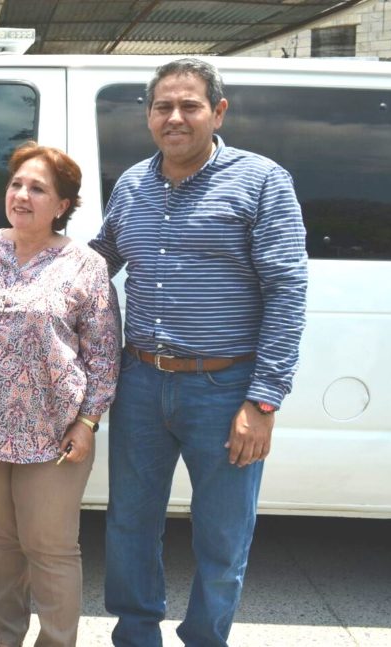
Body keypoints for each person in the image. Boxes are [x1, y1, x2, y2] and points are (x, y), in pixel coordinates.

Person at [91, 58, 308, 647]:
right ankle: (136, 635)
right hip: (140, 381)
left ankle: (206, 638)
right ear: (149, 115)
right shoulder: (132, 184)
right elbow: (99, 260)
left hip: (225, 389)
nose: (176, 117)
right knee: (130, 525)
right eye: (163, 106)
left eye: (190, 105)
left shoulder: (262, 181)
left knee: (221, 534)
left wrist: (262, 401)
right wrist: (21, 256)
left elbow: (287, 290)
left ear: (218, 111)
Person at [0, 143, 121, 647]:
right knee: (1, 543)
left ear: (63, 204)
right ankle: (7, 639)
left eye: (38, 188)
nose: (22, 195)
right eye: (17, 184)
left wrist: (87, 422)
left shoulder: (84, 265)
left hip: (53, 435)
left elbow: (105, 354)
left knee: (49, 548)